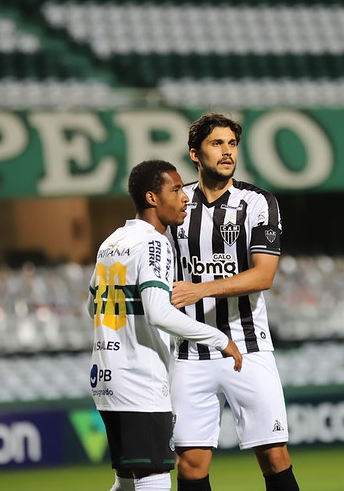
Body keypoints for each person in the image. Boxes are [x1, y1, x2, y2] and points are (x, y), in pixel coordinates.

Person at [89, 160, 243, 491]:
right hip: (138, 379)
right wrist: (219, 338)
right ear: (152, 198)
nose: (185, 197)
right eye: (175, 190)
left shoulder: (111, 242)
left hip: (106, 378)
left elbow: (92, 305)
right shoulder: (154, 242)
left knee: (127, 482)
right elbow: (159, 313)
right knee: (154, 476)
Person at [166, 114, 300, 491]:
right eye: (216, 144)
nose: (227, 152)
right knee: (190, 465)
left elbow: (263, 276)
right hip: (190, 352)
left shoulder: (258, 202)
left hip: (248, 345)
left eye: (232, 144)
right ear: (195, 154)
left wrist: (200, 289)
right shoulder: (176, 203)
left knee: (274, 456)